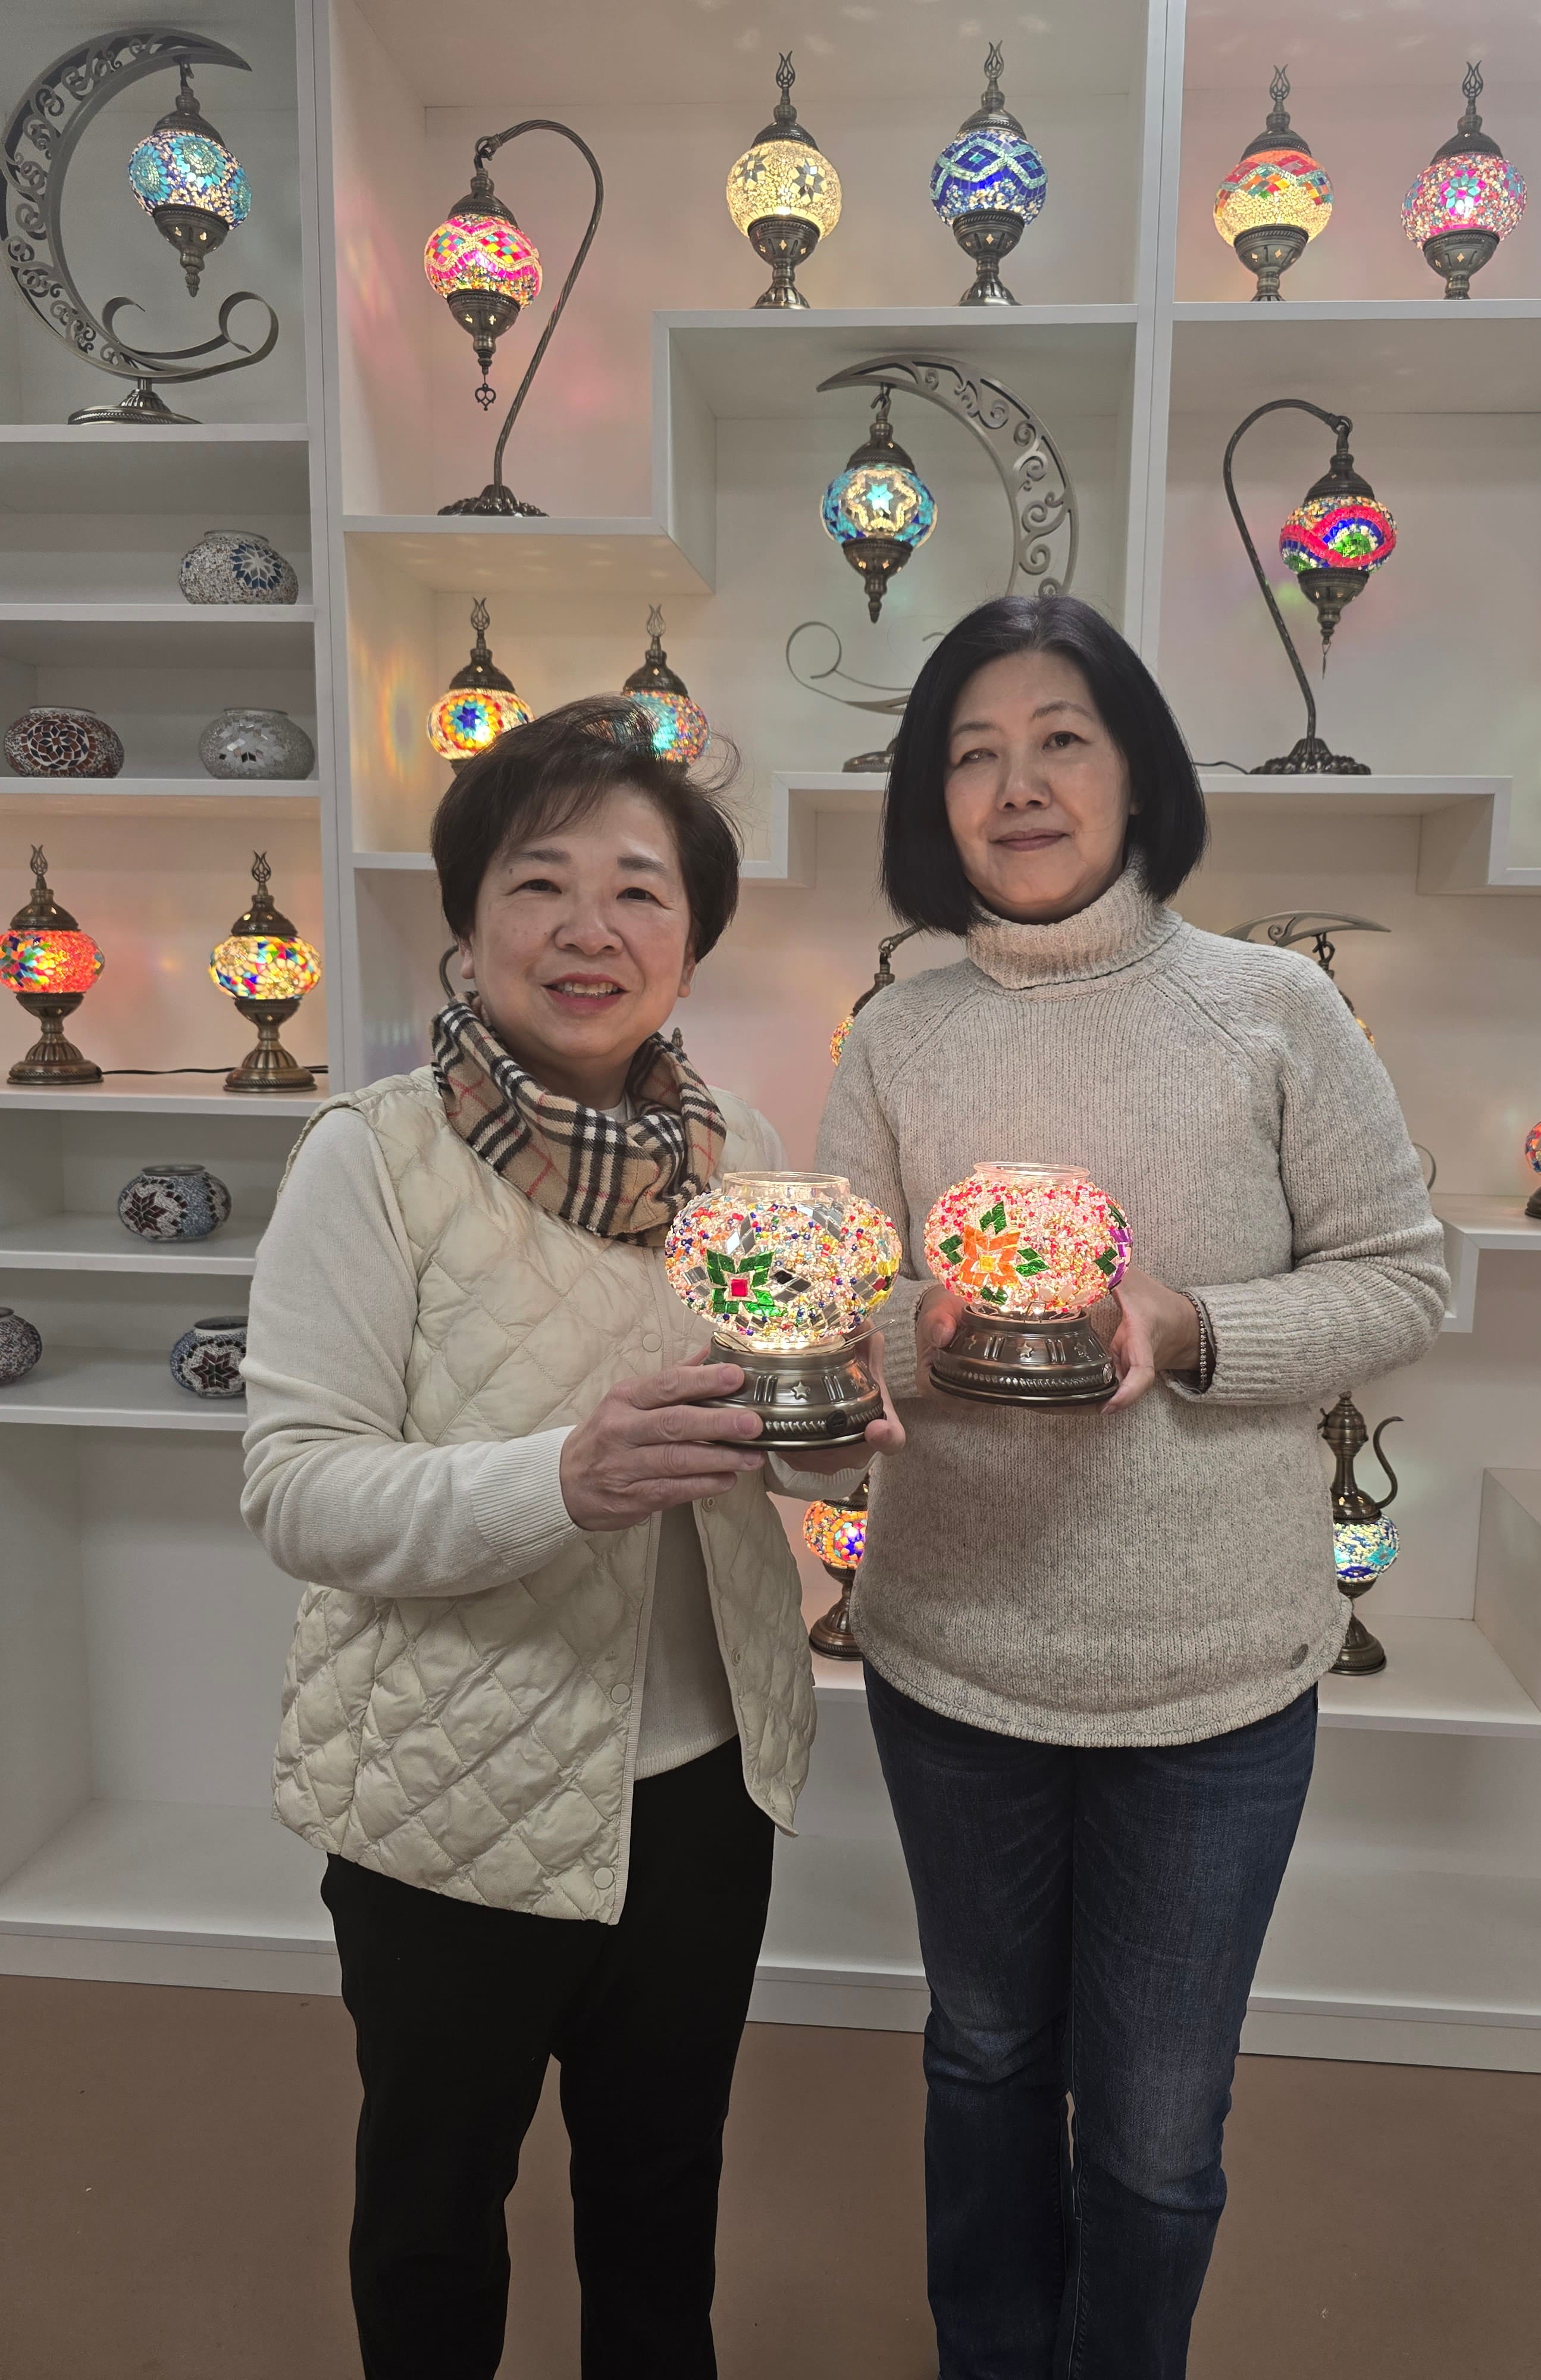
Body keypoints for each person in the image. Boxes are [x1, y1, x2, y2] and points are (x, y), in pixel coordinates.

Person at [816, 593, 1447, 2378]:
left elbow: (1403, 1281)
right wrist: (919, 1330)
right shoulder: (900, 1035)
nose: (1017, 785)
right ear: (932, 803)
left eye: (1060, 741)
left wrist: (1192, 1326)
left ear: (1139, 773)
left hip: (1217, 1681)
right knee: (984, 2061)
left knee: (1160, 2134)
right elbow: (837, 1310)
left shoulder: (1272, 1009)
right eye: (972, 754)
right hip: (955, 1658)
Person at [241, 697, 895, 2380]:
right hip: (447, 1793)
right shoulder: (372, 1160)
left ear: (692, 940)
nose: (590, 929)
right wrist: (562, 1479)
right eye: (539, 883)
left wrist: (830, 1436)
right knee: (434, 2212)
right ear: (468, 924)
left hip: (706, 1789)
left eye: (639, 891)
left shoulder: (743, 1160)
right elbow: (298, 1489)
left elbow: (762, 1440)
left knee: (663, 2204)